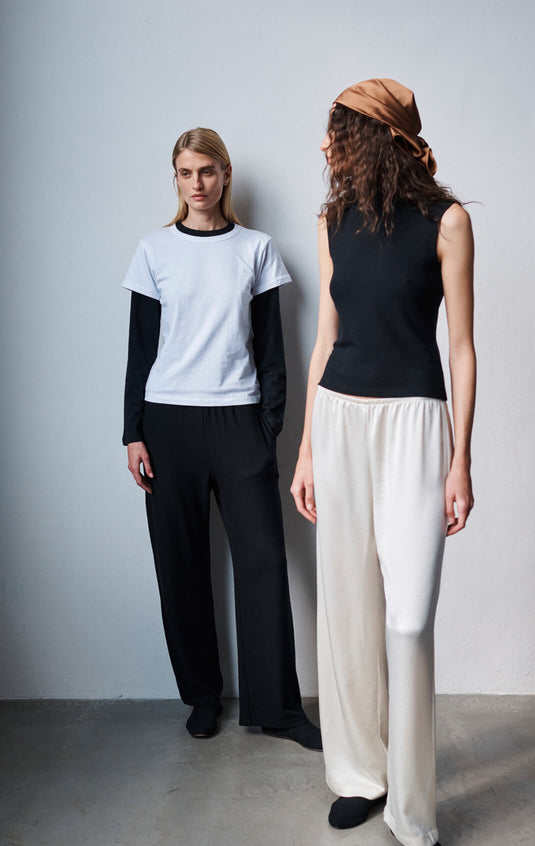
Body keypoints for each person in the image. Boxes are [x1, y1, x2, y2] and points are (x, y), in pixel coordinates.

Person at [291, 79, 476, 846]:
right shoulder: (332, 222)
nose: (324, 147)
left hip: (413, 426)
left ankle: (414, 813)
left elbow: (462, 347)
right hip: (338, 422)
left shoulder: (449, 221)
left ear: (370, 136)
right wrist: (304, 449)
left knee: (408, 620)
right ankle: (360, 775)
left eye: (334, 132)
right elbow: (326, 336)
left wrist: (462, 458)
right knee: (350, 607)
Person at [122, 127, 321, 751]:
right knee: (180, 568)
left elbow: (273, 351)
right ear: (176, 180)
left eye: (207, 170)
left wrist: (268, 429)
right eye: (186, 173)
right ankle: (203, 699)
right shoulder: (153, 251)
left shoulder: (256, 250)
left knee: (263, 565)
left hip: (239, 422)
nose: (198, 183)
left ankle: (278, 710)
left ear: (225, 175)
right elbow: (139, 350)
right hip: (168, 423)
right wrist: (132, 432)